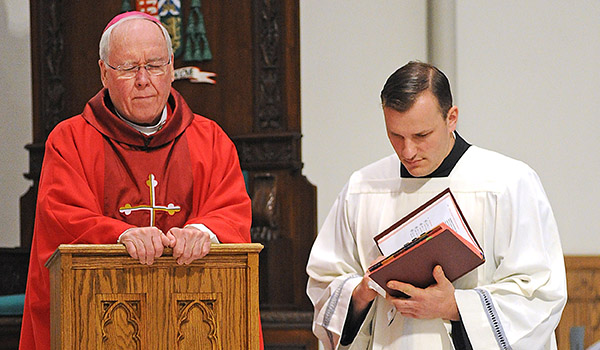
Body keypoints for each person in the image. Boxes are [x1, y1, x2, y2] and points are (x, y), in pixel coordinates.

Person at [20, 12, 253, 350]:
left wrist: (202, 233)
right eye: (128, 68)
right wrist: (121, 234)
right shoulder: (70, 141)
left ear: (172, 68)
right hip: (98, 326)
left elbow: (231, 209)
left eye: (155, 65)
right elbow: (62, 217)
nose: (144, 80)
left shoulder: (210, 140)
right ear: (104, 73)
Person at [306, 61, 567, 349]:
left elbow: (539, 294)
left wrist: (455, 307)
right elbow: (324, 283)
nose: (408, 151)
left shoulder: (508, 183)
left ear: (451, 118)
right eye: (395, 135)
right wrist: (361, 292)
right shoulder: (363, 188)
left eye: (421, 136)